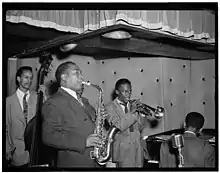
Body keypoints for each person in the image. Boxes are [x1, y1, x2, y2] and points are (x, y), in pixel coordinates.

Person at [41, 61, 103, 168]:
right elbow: (48, 136)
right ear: (64, 77)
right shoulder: (54, 102)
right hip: (75, 163)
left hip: (94, 160)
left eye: (81, 73)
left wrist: (99, 117)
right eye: (76, 73)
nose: (82, 77)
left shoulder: (84, 101)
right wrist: (83, 142)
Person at [6, 66, 47, 167]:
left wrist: (44, 97)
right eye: (26, 77)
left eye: (31, 78)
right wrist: (7, 149)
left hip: (35, 152)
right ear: (18, 78)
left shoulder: (38, 97)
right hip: (17, 153)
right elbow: (5, 128)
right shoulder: (7, 102)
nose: (29, 81)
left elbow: (46, 117)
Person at [105, 78, 151, 167]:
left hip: (138, 148)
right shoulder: (109, 108)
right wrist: (132, 112)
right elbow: (118, 126)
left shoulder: (132, 105)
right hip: (123, 150)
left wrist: (142, 116)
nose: (128, 94)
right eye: (125, 92)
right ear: (117, 92)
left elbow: (140, 129)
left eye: (130, 91)